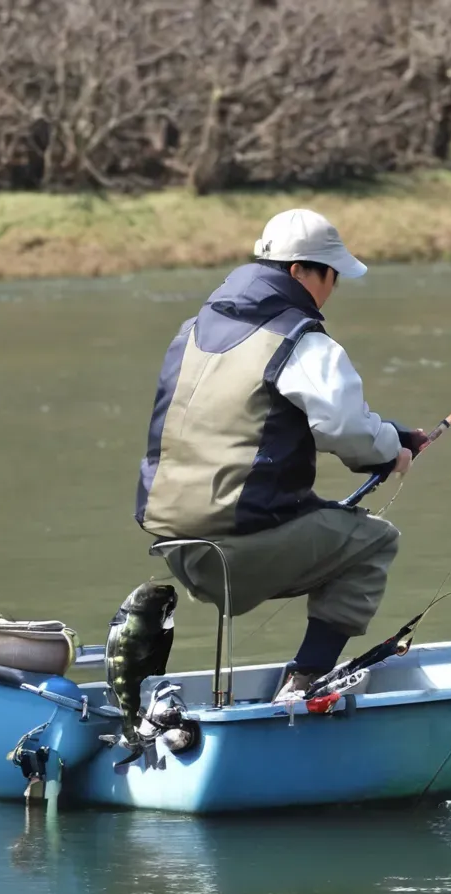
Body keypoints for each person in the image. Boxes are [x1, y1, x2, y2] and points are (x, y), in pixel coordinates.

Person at [135, 209, 426, 701]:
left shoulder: (190, 331)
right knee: (372, 542)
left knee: (327, 518)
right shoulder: (299, 339)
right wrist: (387, 451)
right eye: (330, 275)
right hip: (234, 550)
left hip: (174, 546)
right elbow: (344, 428)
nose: (332, 289)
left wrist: (389, 436)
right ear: (299, 271)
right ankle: (304, 681)